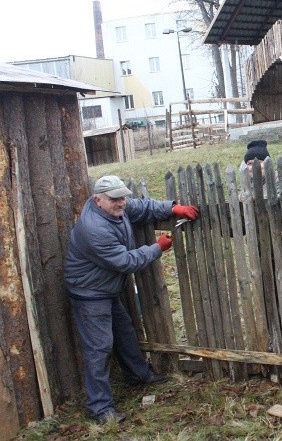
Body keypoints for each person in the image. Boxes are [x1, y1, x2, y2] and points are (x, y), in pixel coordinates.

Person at [64, 175, 199, 424]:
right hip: (89, 293)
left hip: (104, 288)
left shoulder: (116, 208)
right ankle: (100, 409)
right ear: (98, 200)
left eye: (123, 197)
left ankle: (139, 376)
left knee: (125, 333)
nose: (122, 203)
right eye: (115, 199)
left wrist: (172, 207)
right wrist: (157, 248)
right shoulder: (95, 229)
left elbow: (142, 207)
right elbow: (126, 262)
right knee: (99, 348)